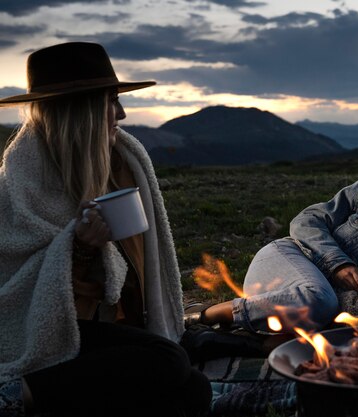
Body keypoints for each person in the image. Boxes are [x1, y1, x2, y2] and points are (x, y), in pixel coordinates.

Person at [0, 42, 211, 416]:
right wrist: (79, 248)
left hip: (104, 325)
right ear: (79, 110)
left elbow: (134, 280)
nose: (122, 114)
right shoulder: (20, 185)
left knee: (193, 390)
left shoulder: (123, 164)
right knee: (169, 361)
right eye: (110, 101)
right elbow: (18, 297)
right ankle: (14, 395)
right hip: (40, 336)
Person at [196, 131, 358, 333]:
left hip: (298, 306)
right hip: (286, 262)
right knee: (321, 301)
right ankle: (206, 316)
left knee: (336, 320)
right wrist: (338, 264)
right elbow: (304, 222)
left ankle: (245, 337)